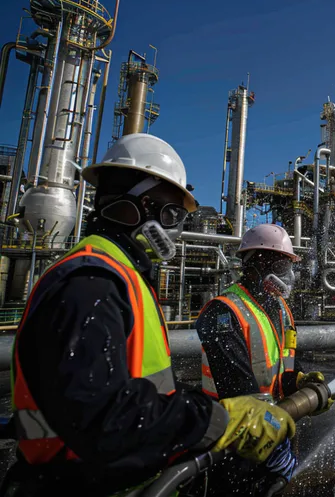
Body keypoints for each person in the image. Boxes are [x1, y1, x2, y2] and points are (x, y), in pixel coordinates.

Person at [3, 133, 294, 496]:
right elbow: (103, 415)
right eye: (172, 214)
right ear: (133, 207)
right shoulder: (91, 282)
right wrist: (219, 420)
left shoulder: (122, 277)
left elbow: (138, 389)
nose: (175, 228)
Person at [196, 223, 335, 496]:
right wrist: (276, 432)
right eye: (282, 265)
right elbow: (237, 386)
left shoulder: (280, 308)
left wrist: (300, 381)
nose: (288, 274)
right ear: (258, 262)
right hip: (232, 441)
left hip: (273, 430)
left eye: (289, 265)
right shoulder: (223, 311)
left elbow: (284, 363)